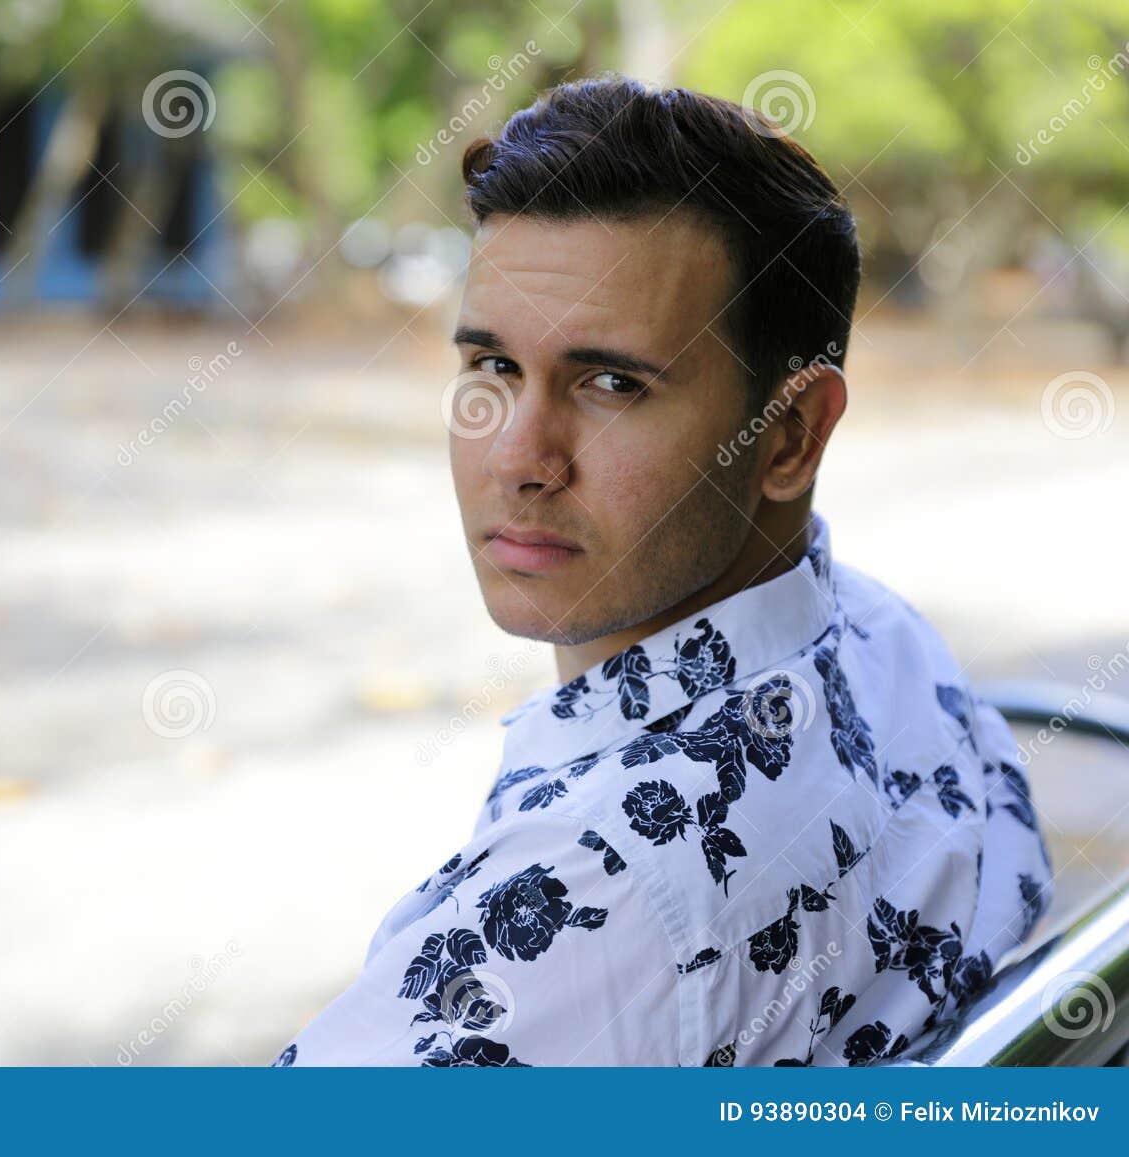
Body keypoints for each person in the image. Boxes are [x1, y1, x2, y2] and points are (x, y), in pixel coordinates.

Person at [271, 75, 1053, 1068]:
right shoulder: (883, 638)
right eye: (492, 366)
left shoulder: (604, 891)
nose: (518, 455)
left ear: (790, 435)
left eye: (610, 383)